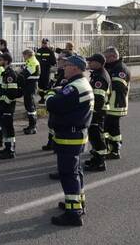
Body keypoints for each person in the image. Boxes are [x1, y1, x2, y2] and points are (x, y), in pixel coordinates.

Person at [45, 55, 93, 227]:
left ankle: (73, 213)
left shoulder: (73, 87)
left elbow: (52, 105)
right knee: (76, 171)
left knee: (68, 174)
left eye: (66, 65)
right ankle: (78, 203)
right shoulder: (81, 84)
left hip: (69, 136)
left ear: (75, 68)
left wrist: (51, 92)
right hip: (77, 134)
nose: (63, 68)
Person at [83, 54, 111, 172]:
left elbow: (98, 99)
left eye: (91, 61)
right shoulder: (97, 74)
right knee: (94, 135)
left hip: (97, 112)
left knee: (97, 136)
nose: (89, 63)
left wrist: (92, 112)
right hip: (96, 111)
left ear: (98, 63)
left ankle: (100, 162)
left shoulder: (100, 77)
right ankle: (96, 158)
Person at [103, 46, 131, 159]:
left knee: (113, 128)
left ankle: (115, 150)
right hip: (110, 104)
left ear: (114, 56)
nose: (105, 60)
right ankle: (108, 147)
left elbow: (117, 87)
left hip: (116, 104)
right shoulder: (112, 67)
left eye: (106, 57)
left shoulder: (120, 69)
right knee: (107, 128)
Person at [0, 53, 20, 159]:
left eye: (1, 60)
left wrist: (5, 103)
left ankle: (11, 150)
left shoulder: (10, 74)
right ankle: (7, 147)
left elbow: (12, 93)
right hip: (4, 105)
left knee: (9, 127)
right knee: (5, 127)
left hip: (8, 106)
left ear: (6, 61)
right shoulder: (5, 73)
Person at [21, 48, 40, 135]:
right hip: (28, 86)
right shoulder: (30, 61)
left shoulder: (33, 63)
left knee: (30, 106)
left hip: (31, 86)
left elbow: (25, 73)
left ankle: (33, 126)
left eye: (24, 56)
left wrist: (19, 74)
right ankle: (31, 125)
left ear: (28, 55)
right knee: (28, 105)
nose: (23, 58)